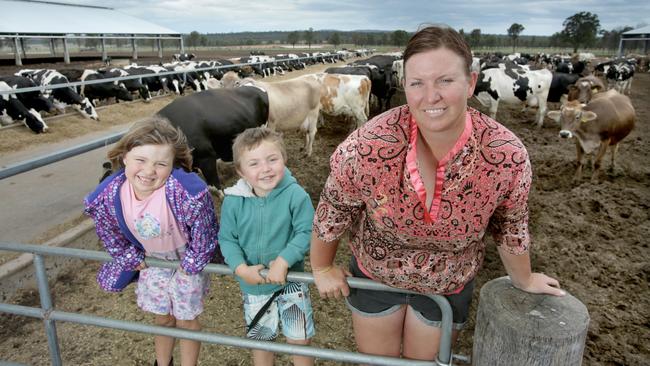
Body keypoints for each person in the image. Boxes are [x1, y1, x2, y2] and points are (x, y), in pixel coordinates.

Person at [309, 25, 566, 362]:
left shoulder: (506, 155)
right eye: (417, 83)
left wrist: (524, 277)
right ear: (405, 84)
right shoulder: (368, 145)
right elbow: (333, 209)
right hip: (376, 274)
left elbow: (510, 225)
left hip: (449, 282)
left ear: (471, 82)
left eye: (445, 80)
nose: (430, 96)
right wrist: (322, 267)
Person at [84, 116, 220, 366]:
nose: (148, 171)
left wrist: (194, 260)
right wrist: (125, 253)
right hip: (152, 261)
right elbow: (107, 228)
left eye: (160, 164)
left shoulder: (183, 191)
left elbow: (205, 227)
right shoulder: (112, 194)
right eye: (140, 160)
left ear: (173, 165)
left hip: (184, 259)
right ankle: (162, 363)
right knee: (163, 316)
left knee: (187, 319)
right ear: (125, 156)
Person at [218, 127, 316, 366]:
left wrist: (284, 261)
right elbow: (227, 239)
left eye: (273, 159)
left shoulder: (296, 195)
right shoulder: (232, 201)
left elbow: (307, 231)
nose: (265, 169)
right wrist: (241, 269)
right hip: (254, 284)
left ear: (284, 159)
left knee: (299, 340)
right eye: (254, 164)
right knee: (262, 342)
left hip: (292, 282)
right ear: (240, 171)